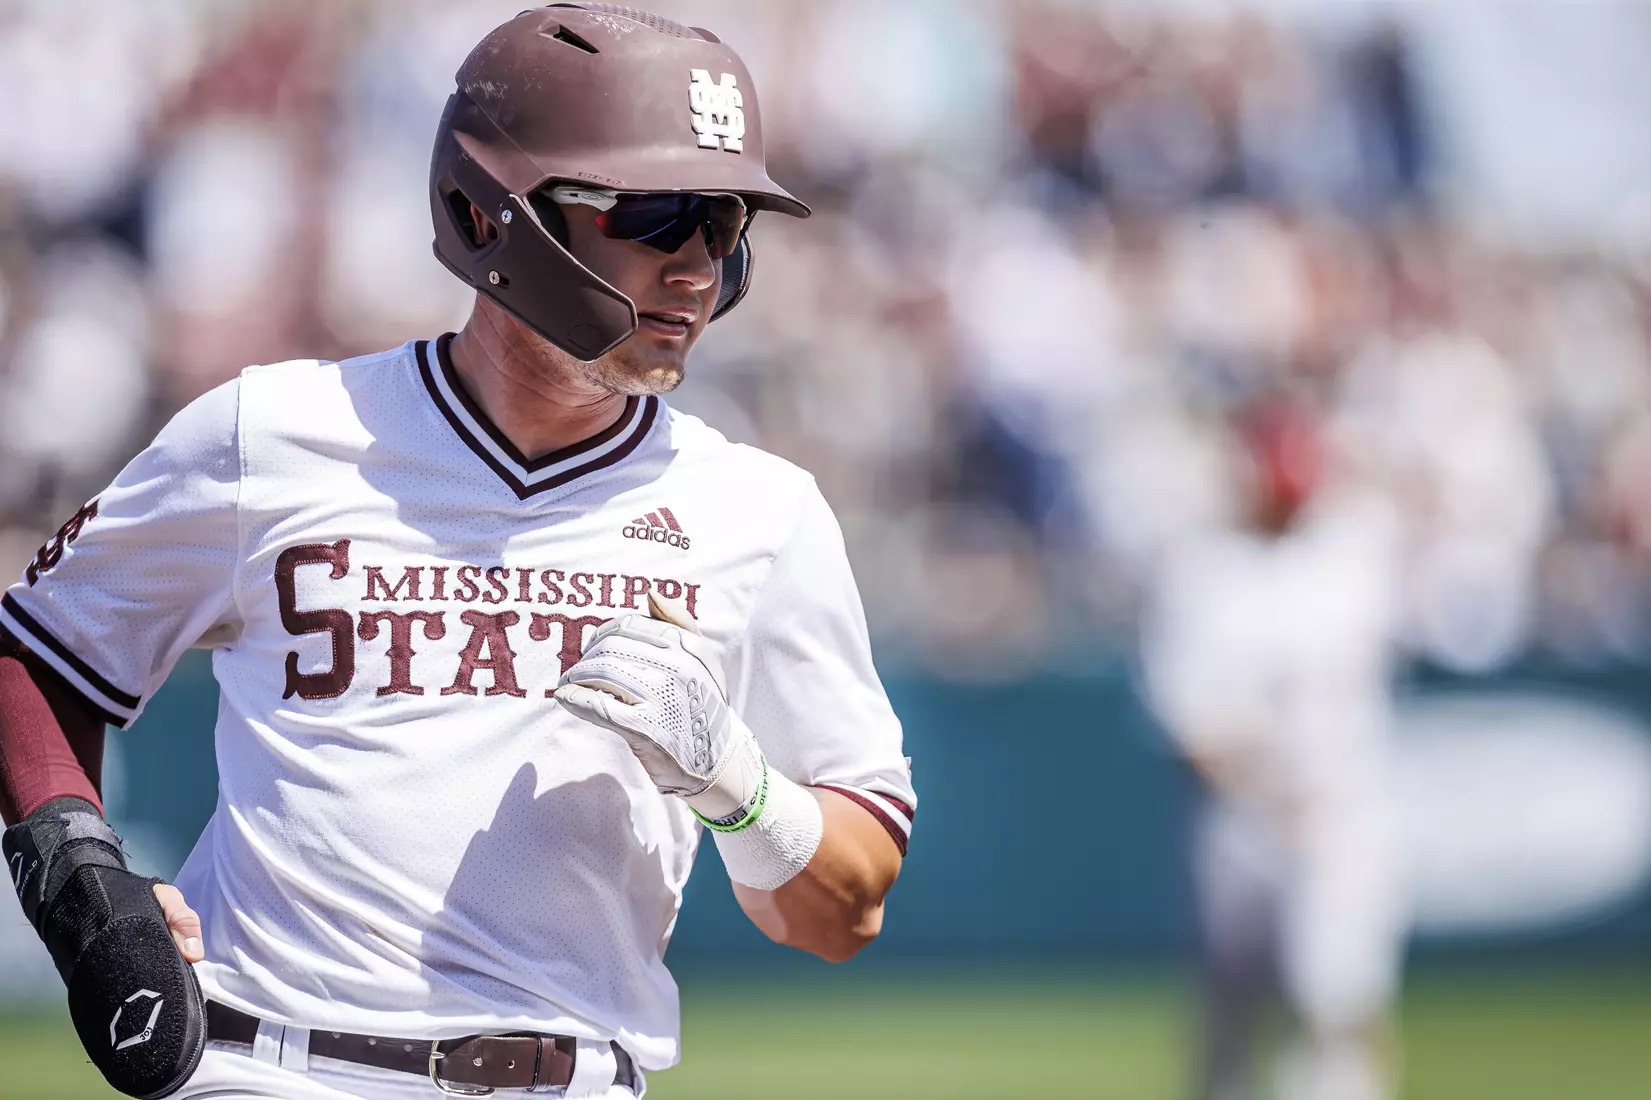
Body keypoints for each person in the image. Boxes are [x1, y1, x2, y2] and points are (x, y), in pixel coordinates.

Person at [0, 6, 916, 1098]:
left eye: (724, 223)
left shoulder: (762, 512)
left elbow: (843, 908)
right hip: (262, 1065)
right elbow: (39, 652)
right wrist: (79, 882)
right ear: (491, 214)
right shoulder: (271, 433)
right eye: (654, 212)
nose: (697, 266)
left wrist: (740, 784)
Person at [1139, 399, 1405, 1100]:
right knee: (1231, 1006)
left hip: (1335, 810)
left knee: (1335, 1002)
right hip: (1239, 816)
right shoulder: (1201, 569)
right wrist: (1257, 783)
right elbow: (1187, 717)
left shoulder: (1354, 553)